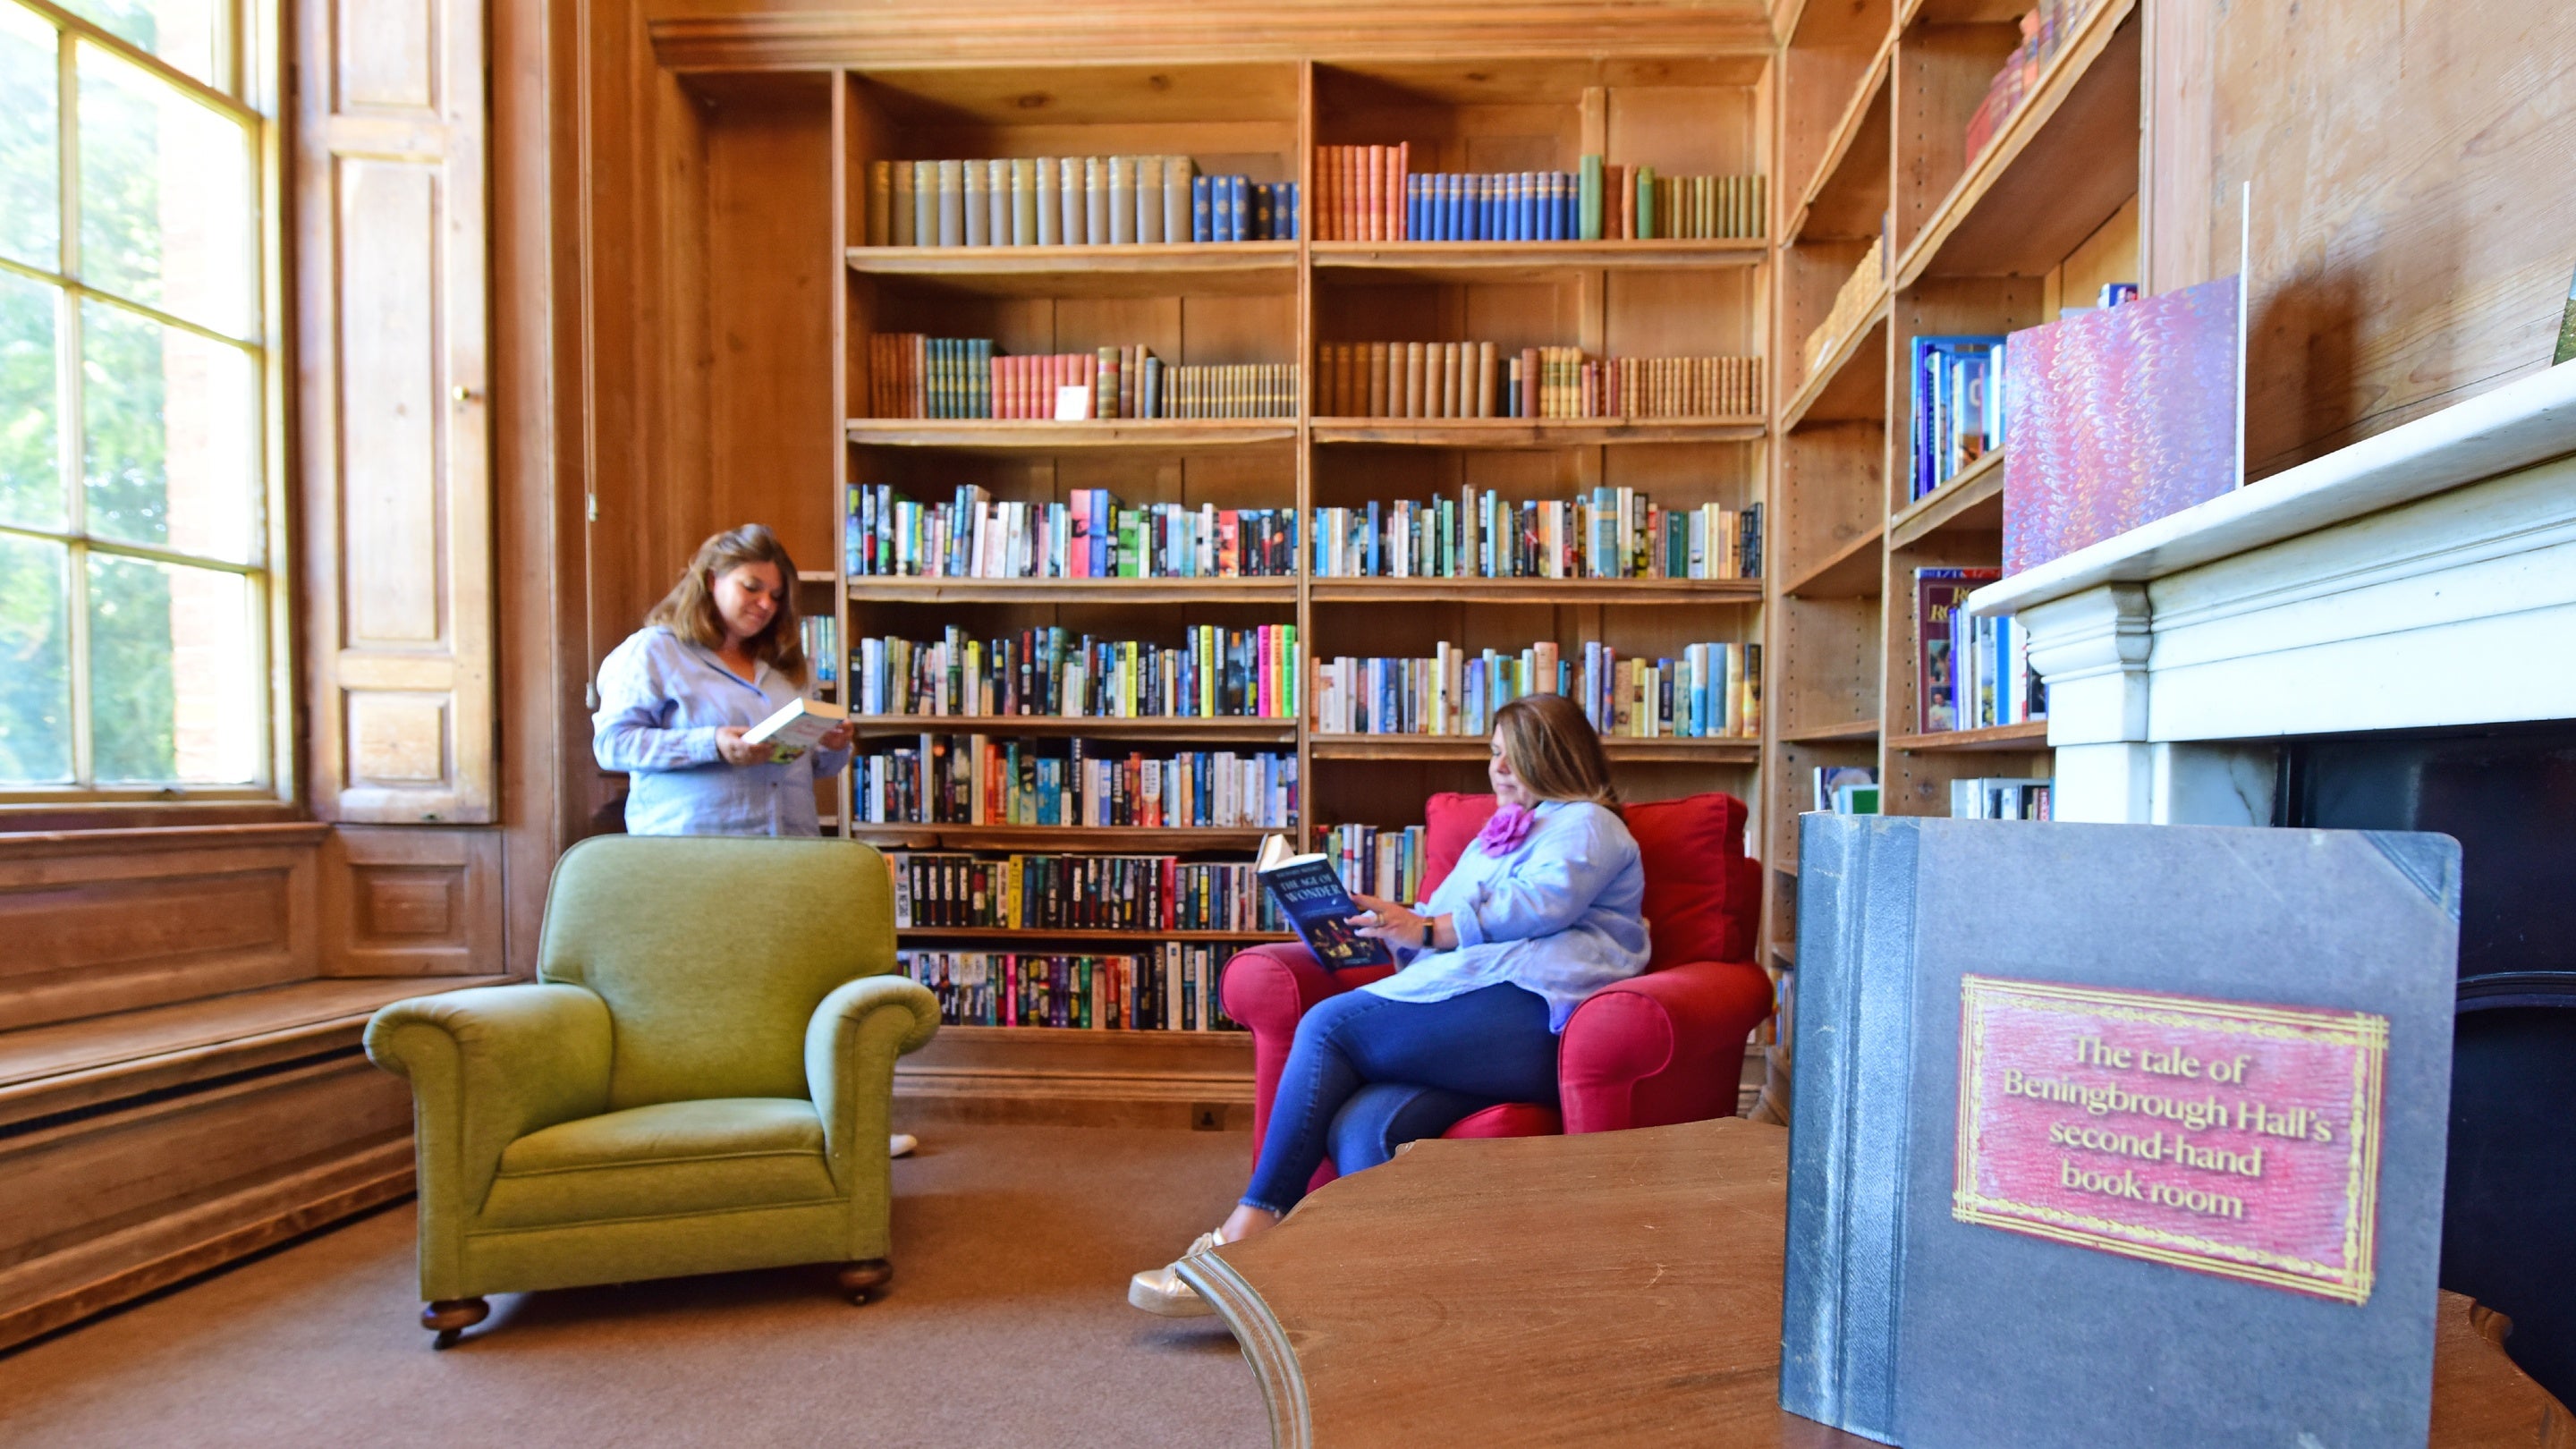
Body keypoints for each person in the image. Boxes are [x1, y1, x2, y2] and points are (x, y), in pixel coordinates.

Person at [1129, 691, 1649, 1316]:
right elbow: (1441, 920)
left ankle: (1245, 1238)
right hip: (1471, 1018)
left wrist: (1426, 929)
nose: (1499, 772)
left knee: (1328, 1027)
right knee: (1366, 1125)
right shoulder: (1499, 834)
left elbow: (1537, 907)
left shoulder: (1589, 823)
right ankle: (1383, 1296)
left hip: (1535, 1018)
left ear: (1557, 759)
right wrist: (1384, 929)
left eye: (1516, 759)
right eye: (1493, 757)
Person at [593, 524, 918, 1159]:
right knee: (705, 999)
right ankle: (706, 1136)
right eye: (752, 587)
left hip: (786, 853)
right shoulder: (654, 651)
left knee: (795, 994)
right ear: (709, 580)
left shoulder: (780, 667)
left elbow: (806, 769)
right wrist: (712, 742)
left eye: (775, 594)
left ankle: (838, 1131)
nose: (765, 604)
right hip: (695, 857)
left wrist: (832, 744)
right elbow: (613, 744)